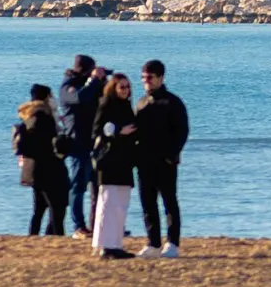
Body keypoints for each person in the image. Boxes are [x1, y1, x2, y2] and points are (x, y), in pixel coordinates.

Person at [133, 59, 189, 259]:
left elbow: (182, 131)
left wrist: (170, 155)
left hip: (165, 162)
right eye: (143, 77)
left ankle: (172, 243)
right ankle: (153, 243)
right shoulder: (140, 102)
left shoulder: (172, 102)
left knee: (169, 202)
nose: (146, 81)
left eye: (150, 77)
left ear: (160, 78)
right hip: (143, 162)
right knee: (147, 203)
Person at [85, 70, 140, 257]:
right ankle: (104, 245)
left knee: (120, 203)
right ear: (114, 88)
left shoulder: (126, 105)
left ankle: (115, 244)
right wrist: (118, 132)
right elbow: (96, 132)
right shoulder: (106, 104)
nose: (125, 90)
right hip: (110, 161)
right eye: (122, 87)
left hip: (124, 161)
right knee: (108, 202)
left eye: (128, 87)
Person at [14, 84, 67, 236]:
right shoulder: (42, 116)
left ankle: (34, 236)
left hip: (33, 168)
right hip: (46, 167)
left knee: (39, 208)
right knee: (56, 206)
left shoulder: (29, 115)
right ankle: (56, 236)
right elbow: (46, 142)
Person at [55, 54, 101, 230]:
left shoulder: (87, 85)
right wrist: (94, 81)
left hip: (93, 142)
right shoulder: (68, 87)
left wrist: (101, 82)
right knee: (78, 186)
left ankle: (99, 224)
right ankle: (78, 226)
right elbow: (80, 98)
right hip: (77, 143)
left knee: (99, 186)